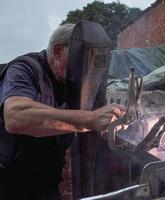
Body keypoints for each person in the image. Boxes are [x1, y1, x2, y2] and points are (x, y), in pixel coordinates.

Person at [0, 23, 125, 199]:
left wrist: (117, 119)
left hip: (47, 180)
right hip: (11, 183)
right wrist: (88, 119)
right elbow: (16, 117)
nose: (87, 72)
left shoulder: (73, 83)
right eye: (82, 62)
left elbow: (99, 115)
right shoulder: (25, 69)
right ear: (58, 51)